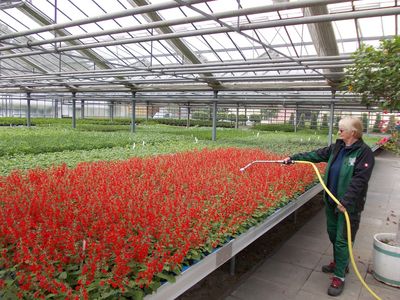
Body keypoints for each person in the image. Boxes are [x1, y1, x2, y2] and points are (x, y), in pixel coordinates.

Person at [283, 116, 375, 297]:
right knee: (333, 234)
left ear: (353, 133)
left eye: (341, 130)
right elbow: (316, 155)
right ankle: (339, 261)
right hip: (332, 202)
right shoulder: (337, 148)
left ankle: (339, 276)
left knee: (342, 239)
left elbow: (360, 180)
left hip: (349, 207)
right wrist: (293, 159)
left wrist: (346, 201)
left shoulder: (364, 153)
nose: (338, 132)